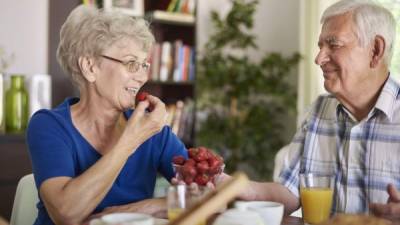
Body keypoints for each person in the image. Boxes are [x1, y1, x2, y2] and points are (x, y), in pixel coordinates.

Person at [224, 0, 400, 223]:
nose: (319, 59)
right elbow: (290, 191)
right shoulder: (319, 111)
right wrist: (235, 187)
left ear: (375, 50)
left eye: (334, 45)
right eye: (320, 47)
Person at [26, 5, 187, 225]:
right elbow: (66, 214)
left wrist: (149, 206)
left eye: (144, 65)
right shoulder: (49, 125)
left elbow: (210, 189)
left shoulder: (152, 128)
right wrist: (131, 139)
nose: (141, 77)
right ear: (90, 67)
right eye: (131, 63)